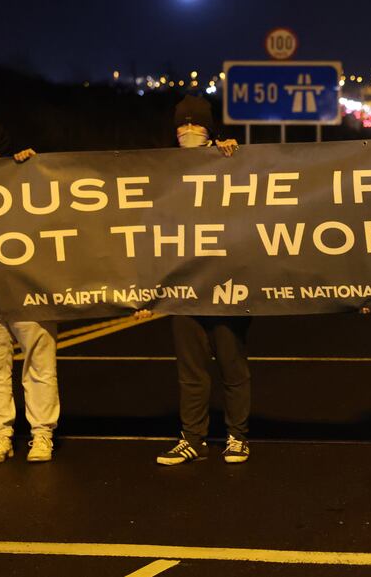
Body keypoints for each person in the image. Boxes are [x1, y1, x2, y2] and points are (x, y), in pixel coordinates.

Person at [154, 95, 250, 466]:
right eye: (182, 126)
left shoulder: (230, 159)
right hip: (185, 286)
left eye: (196, 126)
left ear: (210, 130)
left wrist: (234, 156)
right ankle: (192, 437)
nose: (188, 132)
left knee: (231, 362)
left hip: (227, 281)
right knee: (190, 369)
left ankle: (237, 436)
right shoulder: (162, 167)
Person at [0, 122, 61, 463]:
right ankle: (1, 432)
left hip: (30, 287)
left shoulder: (26, 177)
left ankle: (41, 433)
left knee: (39, 360)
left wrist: (33, 169)